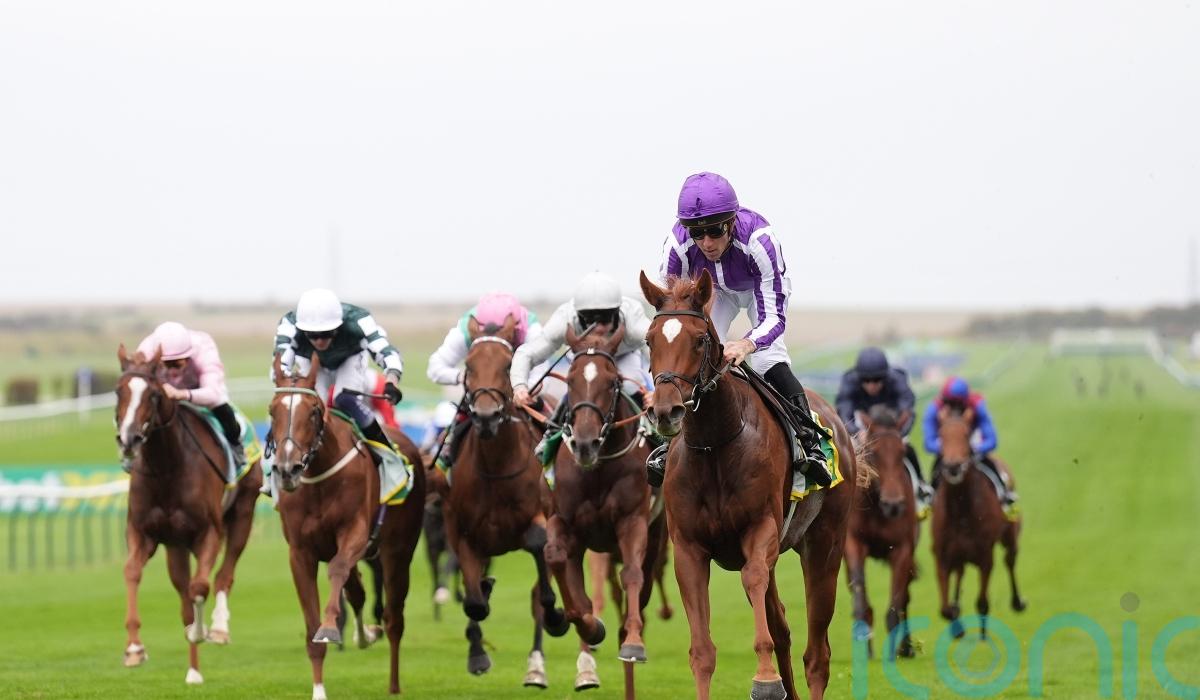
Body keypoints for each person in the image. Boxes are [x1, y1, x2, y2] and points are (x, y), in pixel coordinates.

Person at [653, 171, 831, 487]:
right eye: (697, 233)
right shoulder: (677, 246)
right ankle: (669, 443)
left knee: (766, 359)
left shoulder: (759, 241)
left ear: (732, 222)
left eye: (715, 230)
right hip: (713, 291)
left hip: (757, 290)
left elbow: (773, 318)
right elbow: (672, 314)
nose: (706, 243)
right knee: (694, 355)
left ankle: (809, 442)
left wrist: (746, 344)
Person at [509, 271, 655, 462]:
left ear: (616, 312)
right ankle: (551, 434)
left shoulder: (632, 319)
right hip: (584, 357)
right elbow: (527, 353)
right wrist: (519, 387)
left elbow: (659, 350)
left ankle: (655, 435)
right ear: (578, 315)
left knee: (629, 385)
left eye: (605, 318)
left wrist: (656, 392)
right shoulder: (564, 319)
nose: (598, 327)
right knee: (579, 387)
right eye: (589, 319)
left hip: (623, 356)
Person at [272, 288, 403, 466]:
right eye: (312, 335)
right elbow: (279, 366)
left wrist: (392, 380)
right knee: (306, 404)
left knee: (345, 400)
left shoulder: (359, 320)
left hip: (349, 359)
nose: (319, 341)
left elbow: (385, 351)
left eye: (326, 333)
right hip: (312, 361)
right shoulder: (289, 325)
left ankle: (388, 454)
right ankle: (277, 463)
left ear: (338, 327)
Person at [425, 292, 542, 470]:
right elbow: (434, 368)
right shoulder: (463, 331)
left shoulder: (531, 330)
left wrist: (522, 390)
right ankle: (446, 454)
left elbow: (541, 374)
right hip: (479, 388)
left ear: (514, 331)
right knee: (463, 413)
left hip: (519, 384)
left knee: (544, 408)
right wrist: (466, 377)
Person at [134, 321, 244, 469]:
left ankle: (235, 446)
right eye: (166, 364)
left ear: (188, 357)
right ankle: (131, 450)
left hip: (198, 389)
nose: (172, 371)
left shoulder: (204, 348)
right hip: (162, 392)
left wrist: (181, 394)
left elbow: (213, 393)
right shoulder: (145, 351)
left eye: (176, 364)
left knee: (220, 405)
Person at [835, 347, 932, 505]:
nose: (872, 385)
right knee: (846, 453)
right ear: (859, 378)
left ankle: (921, 484)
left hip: (891, 425)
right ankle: (839, 492)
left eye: (877, 380)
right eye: (866, 381)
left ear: (885, 377)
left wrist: (898, 433)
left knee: (908, 448)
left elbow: (908, 410)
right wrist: (856, 432)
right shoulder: (849, 381)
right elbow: (844, 412)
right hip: (862, 425)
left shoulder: (897, 379)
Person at [922, 376, 1016, 506]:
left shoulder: (978, 406)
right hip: (947, 444)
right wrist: (949, 448)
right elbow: (929, 443)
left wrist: (973, 448)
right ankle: (930, 495)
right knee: (939, 466)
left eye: (959, 405)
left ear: (965, 401)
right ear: (944, 401)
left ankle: (1003, 490)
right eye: (950, 404)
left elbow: (992, 440)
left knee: (987, 461)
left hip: (972, 440)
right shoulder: (933, 410)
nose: (955, 409)